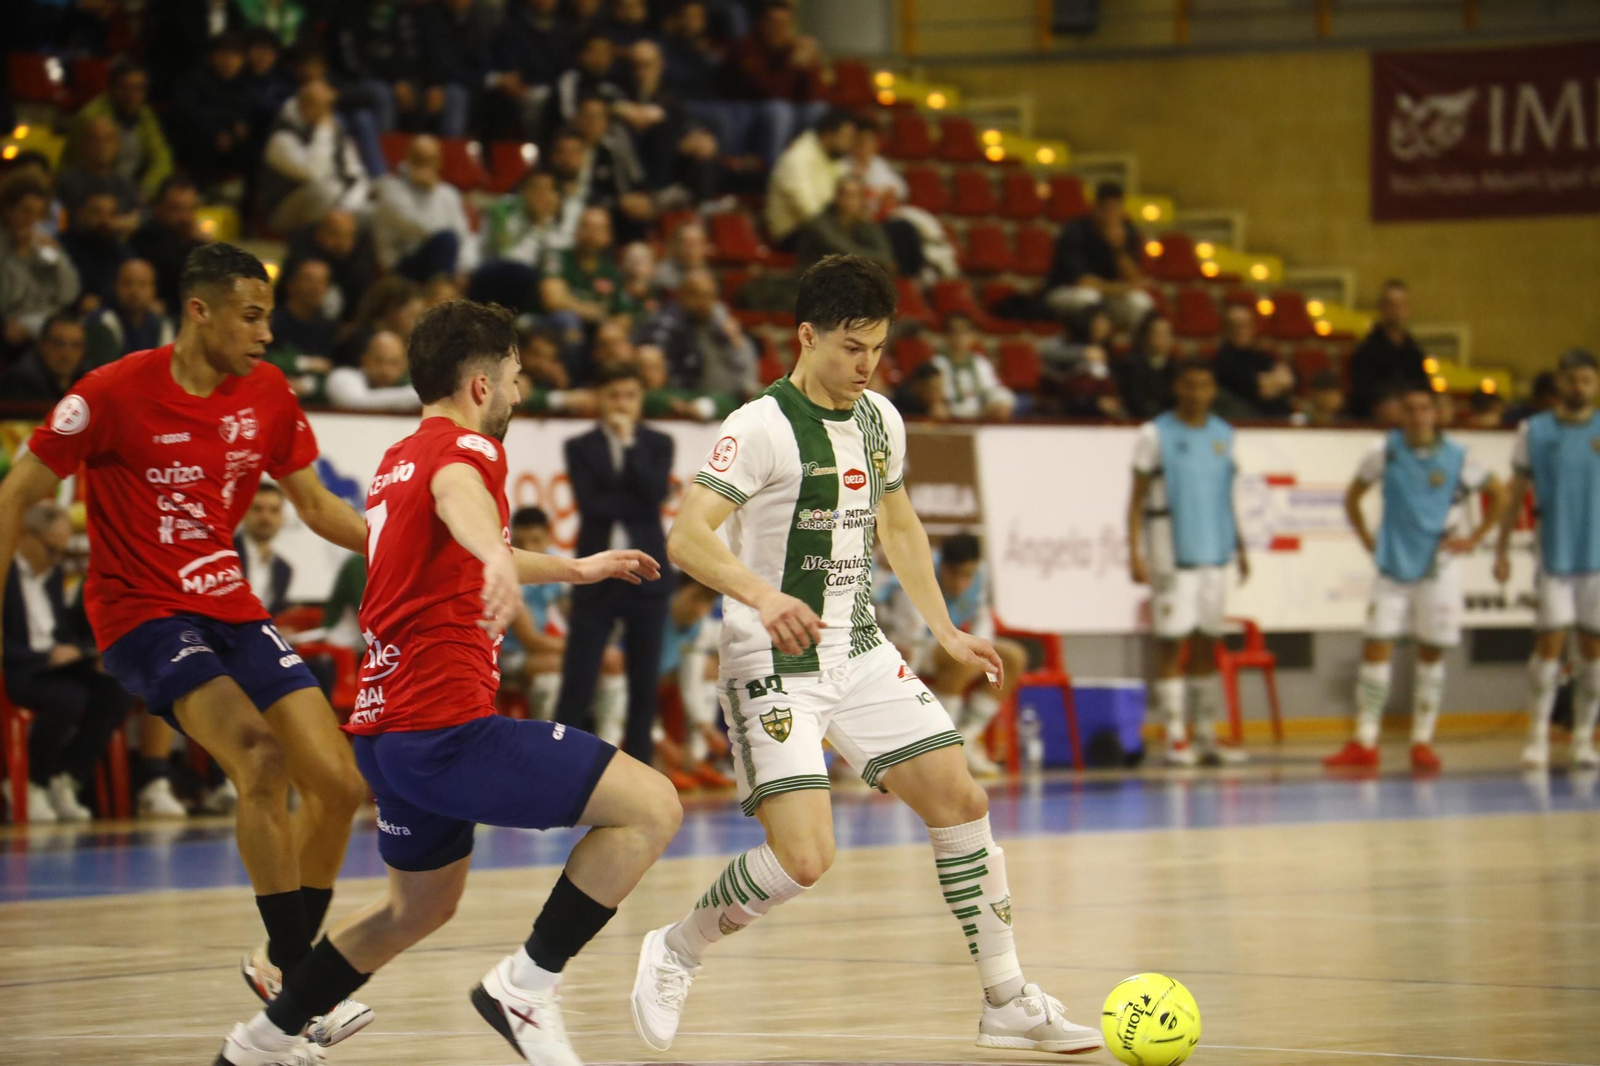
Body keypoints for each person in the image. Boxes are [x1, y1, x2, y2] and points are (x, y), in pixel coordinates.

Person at [630, 254, 1103, 1056]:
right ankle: (677, 948)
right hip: (772, 662)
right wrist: (762, 594)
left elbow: (902, 527)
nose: (867, 365)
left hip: (859, 650)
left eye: (878, 348)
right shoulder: (757, 427)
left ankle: (1007, 1000)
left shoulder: (881, 417)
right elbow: (685, 537)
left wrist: (946, 629)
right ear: (805, 336)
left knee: (962, 802)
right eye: (851, 347)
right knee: (806, 858)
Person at [212, 297, 677, 1066]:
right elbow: (463, 501)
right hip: (448, 731)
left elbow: (459, 532)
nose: (522, 394)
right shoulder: (468, 454)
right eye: (517, 378)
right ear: (481, 387)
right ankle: (525, 987)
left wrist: (572, 567)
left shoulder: (399, 461)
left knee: (414, 909)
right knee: (651, 808)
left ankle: (257, 1043)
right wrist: (494, 556)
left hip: (390, 739)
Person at [0, 243, 376, 1048]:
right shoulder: (108, 393)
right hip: (139, 612)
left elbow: (314, 504)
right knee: (261, 761)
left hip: (230, 604)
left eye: (270, 316)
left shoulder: (268, 392)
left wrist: (406, 541)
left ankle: (284, 969)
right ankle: (296, 967)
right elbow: (16, 493)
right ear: (198, 311)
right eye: (251, 315)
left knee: (340, 783)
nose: (267, 334)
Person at [1325, 385, 1507, 772]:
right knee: (1375, 647)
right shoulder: (1385, 451)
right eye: (1410, 408)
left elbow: (1500, 493)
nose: (1418, 415)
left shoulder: (1458, 457)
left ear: (1437, 412)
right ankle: (1365, 740)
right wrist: (1365, 538)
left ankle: (1422, 742)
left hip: (1438, 567)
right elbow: (1352, 496)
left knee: (1431, 651)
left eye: (1425, 408)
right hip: (1392, 564)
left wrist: (1475, 537)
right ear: (1401, 414)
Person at [1127, 360, 1251, 766]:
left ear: (1214, 390)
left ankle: (1205, 735)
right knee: (1170, 642)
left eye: (1205, 385)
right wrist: (1135, 550)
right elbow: (1137, 498)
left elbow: (1226, 494)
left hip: (1215, 552)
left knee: (1207, 643)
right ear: (1177, 386)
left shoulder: (1223, 435)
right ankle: (1175, 735)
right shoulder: (1154, 434)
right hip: (1171, 554)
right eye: (1189, 383)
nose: (1197, 392)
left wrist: (1242, 545)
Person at [557, 364, 675, 763]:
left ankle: (641, 765)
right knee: (579, 676)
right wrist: (630, 497)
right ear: (600, 400)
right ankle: (561, 764)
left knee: (645, 681)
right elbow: (591, 504)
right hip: (596, 572)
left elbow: (654, 494)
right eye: (613, 396)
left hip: (648, 574)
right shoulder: (580, 446)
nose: (621, 404)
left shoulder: (658, 443)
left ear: (640, 401)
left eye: (629, 396)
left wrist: (628, 447)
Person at [1495, 349, 1600, 769]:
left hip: (1597, 559)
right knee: (1550, 646)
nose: (1578, 387)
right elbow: (1515, 493)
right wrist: (1501, 547)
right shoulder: (1533, 431)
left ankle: (1583, 738)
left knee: (1593, 650)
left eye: (1586, 380)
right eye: (1571, 379)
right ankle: (1537, 737)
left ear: (1594, 384)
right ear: (1559, 383)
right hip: (1554, 556)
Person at [2, 502, 133, 824]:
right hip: (21, 668)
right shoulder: (4, 573)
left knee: (117, 690)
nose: (57, 559)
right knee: (68, 698)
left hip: (56, 665)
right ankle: (33, 782)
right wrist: (45, 657)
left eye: (62, 551)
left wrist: (83, 653)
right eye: (51, 549)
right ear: (25, 536)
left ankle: (68, 776)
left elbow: (61, 630)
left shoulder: (51, 574)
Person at [877, 533, 1025, 777]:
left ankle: (966, 737)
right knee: (964, 660)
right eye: (955, 575)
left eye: (968, 575)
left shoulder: (981, 577)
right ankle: (942, 743)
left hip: (947, 643)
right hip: (908, 646)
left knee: (1011, 657)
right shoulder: (919, 572)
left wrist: (980, 647)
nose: (961, 584)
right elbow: (905, 634)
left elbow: (982, 621)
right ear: (941, 566)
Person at [717, 0, 826, 164]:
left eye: (785, 24)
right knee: (779, 111)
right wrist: (793, 66)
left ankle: (806, 167)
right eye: (774, 23)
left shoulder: (794, 47)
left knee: (817, 109)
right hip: (747, 106)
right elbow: (767, 91)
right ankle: (771, 170)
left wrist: (809, 68)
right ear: (762, 23)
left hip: (785, 106)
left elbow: (812, 95)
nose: (780, 29)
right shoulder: (745, 48)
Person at [261, 80, 372, 235]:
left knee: (371, 211)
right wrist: (323, 130)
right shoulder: (281, 136)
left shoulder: (333, 129)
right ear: (305, 106)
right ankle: (311, 245)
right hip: (282, 212)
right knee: (326, 190)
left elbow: (356, 174)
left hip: (336, 203)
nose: (329, 112)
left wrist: (346, 208)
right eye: (324, 106)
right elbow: (313, 173)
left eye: (329, 106)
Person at [1043, 181, 1153, 329]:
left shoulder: (1127, 231)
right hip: (1066, 291)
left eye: (1117, 209)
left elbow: (1134, 279)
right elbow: (1082, 281)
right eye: (1108, 209)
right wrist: (1121, 289)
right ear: (1096, 208)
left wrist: (1119, 249)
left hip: (1108, 293)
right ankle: (1088, 347)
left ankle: (1134, 350)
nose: (1112, 215)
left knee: (1142, 303)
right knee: (1089, 298)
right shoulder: (1075, 231)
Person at [632, 267, 758, 396]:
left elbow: (744, 374)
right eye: (696, 295)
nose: (703, 302)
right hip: (676, 401)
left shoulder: (715, 325)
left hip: (720, 401)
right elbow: (654, 382)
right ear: (681, 294)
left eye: (709, 296)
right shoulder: (666, 325)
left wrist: (735, 339)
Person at [65, 58, 174, 202]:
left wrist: (146, 189)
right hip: (89, 193)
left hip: (132, 192)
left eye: (137, 89)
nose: (131, 96)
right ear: (111, 89)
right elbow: (86, 167)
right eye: (124, 88)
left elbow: (161, 158)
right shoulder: (91, 117)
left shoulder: (145, 115)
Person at [373, 135, 479, 282]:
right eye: (419, 159)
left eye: (430, 160)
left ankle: (447, 289)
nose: (424, 165)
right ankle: (443, 294)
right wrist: (428, 189)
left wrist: (466, 269)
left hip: (446, 263)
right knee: (446, 240)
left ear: (439, 162)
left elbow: (464, 236)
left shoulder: (448, 193)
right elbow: (424, 229)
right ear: (408, 158)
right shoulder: (392, 190)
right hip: (402, 267)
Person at [1, 177, 80, 343]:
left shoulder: (42, 240)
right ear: (9, 210)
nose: (32, 219)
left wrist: (57, 257)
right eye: (26, 211)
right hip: (15, 320)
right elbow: (8, 300)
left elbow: (68, 294)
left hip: (50, 317)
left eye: (38, 213)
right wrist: (19, 255)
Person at [765, 108, 854, 246]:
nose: (849, 143)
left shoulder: (836, 159)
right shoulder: (798, 157)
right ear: (828, 135)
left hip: (822, 227)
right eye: (846, 136)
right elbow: (808, 210)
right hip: (792, 233)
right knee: (842, 241)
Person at [1348, 279, 1429, 421]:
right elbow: (1362, 393)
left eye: (1401, 305)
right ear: (1381, 307)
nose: (1396, 310)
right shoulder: (1367, 350)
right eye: (1391, 304)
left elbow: (1422, 385)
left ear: (1407, 309)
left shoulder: (1414, 351)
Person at [130, 176, 207, 316]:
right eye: (176, 209)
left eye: (190, 209)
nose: (184, 217)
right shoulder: (143, 241)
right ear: (158, 208)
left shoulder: (197, 244)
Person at [281, 210, 375, 324]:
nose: (342, 242)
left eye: (348, 235)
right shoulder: (302, 241)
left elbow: (361, 292)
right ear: (320, 233)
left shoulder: (361, 254)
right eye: (336, 234)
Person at [794, 175, 896, 275]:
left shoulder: (864, 224)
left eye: (853, 196)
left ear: (861, 200)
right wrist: (880, 261)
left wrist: (883, 261)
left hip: (844, 278)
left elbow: (885, 255)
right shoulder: (820, 223)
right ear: (836, 197)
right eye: (844, 194)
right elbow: (845, 252)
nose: (848, 200)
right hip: (814, 280)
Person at [54, 116, 142, 226]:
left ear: (117, 144)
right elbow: (61, 223)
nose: (102, 145)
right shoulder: (67, 183)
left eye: (108, 139)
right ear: (83, 144)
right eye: (95, 139)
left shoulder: (125, 185)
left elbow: (137, 218)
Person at [85, 258, 175, 365]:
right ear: (116, 286)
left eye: (143, 284)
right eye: (128, 283)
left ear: (153, 290)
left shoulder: (162, 324)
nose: (135, 291)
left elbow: (167, 367)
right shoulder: (103, 321)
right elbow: (109, 370)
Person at [1214, 304, 1295, 419]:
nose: (1239, 330)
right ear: (1225, 329)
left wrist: (1270, 383)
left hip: (1279, 420)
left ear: (1252, 327)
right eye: (1234, 325)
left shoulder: (1263, 357)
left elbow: (1288, 380)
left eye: (1244, 325)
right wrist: (1276, 383)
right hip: (1246, 423)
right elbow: (1261, 389)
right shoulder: (1222, 361)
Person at [931, 313, 1015, 421]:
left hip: (980, 412)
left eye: (964, 333)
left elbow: (991, 390)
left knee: (1003, 402)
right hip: (952, 413)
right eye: (954, 332)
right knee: (937, 410)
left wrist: (999, 403)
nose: (959, 337)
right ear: (945, 336)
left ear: (972, 336)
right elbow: (938, 396)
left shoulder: (980, 363)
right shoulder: (938, 363)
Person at [58, 190, 131, 309]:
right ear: (80, 214)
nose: (104, 220)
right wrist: (78, 301)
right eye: (97, 213)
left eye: (110, 214)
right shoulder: (62, 247)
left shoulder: (119, 250)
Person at [0, 313, 91, 404]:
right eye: (58, 344)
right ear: (42, 345)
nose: (66, 353)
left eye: (76, 345)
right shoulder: (19, 381)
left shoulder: (87, 378)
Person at [325, 330, 422, 411]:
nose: (385, 370)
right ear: (364, 360)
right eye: (379, 361)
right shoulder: (342, 377)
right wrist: (423, 395)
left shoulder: (412, 382)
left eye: (394, 363)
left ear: (404, 365)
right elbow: (356, 403)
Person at [237, 484, 294, 617]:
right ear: (244, 512)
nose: (265, 517)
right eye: (257, 509)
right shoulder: (225, 555)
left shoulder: (283, 569)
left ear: (282, 517)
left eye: (274, 510)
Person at [1117, 311, 1177, 420]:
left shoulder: (1177, 368)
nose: (1163, 339)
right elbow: (1133, 401)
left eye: (1167, 334)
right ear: (1146, 336)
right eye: (1158, 334)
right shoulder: (1130, 365)